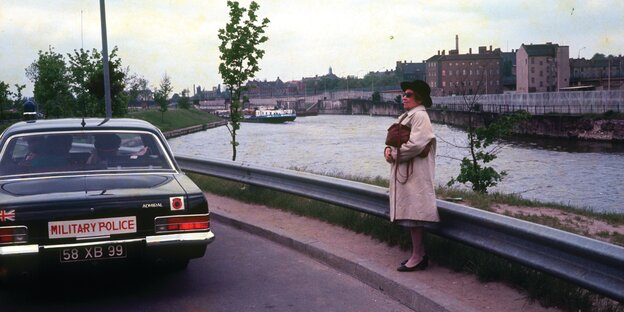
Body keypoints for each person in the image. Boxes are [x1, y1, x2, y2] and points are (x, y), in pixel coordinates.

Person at [384, 79, 439, 272]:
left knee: (415, 216)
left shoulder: (420, 116)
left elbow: (417, 144)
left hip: (415, 174)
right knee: (411, 216)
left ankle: (418, 256)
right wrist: (388, 151)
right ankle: (418, 254)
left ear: (419, 98)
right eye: (404, 94)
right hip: (408, 173)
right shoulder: (407, 116)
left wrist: (395, 155)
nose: (404, 97)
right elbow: (394, 139)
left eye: (408, 95)